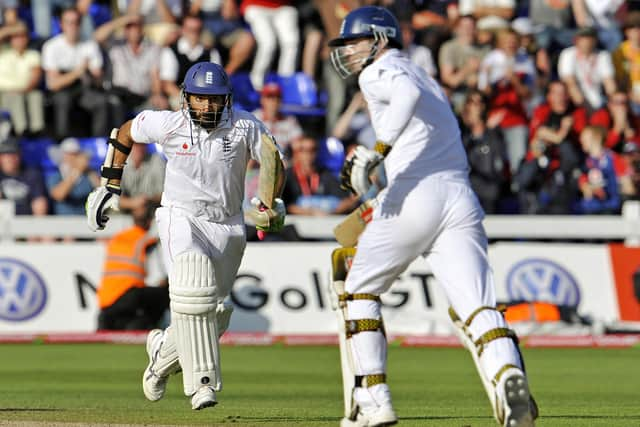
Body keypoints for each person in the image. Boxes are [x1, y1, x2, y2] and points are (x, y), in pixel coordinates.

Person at [328, 6, 536, 427]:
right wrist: (380, 177)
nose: (349, 50)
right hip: (459, 198)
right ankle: (507, 375)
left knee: (359, 291)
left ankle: (373, 400)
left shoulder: (382, 71)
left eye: (356, 41)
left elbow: (404, 97)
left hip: (414, 197)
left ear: (380, 39)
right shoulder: (428, 75)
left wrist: (378, 151)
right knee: (479, 308)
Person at [85, 62, 286, 410]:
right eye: (199, 99)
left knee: (214, 311)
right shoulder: (169, 123)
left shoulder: (244, 125)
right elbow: (125, 132)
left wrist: (270, 203)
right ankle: (202, 386)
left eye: (214, 100)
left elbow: (273, 163)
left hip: (228, 226)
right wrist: (109, 185)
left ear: (227, 99)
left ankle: (160, 357)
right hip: (180, 216)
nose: (206, 107)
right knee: (194, 289)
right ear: (186, 98)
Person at [97, 202, 169, 330]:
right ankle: (154, 326)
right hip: (129, 296)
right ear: (150, 222)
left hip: (106, 300)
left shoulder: (118, 237)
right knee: (165, 294)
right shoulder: (146, 240)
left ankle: (139, 323)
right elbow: (161, 274)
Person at [41, 7, 109, 139]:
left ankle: (98, 141)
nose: (73, 26)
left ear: (81, 24)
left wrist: (93, 75)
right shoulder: (51, 46)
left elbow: (98, 80)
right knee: (63, 100)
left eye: (76, 22)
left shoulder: (90, 45)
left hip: (84, 88)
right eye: (69, 22)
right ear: (61, 24)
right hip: (62, 91)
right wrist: (78, 72)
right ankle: (63, 141)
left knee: (101, 102)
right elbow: (53, 84)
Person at [46, 137, 100, 215]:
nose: (72, 158)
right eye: (69, 154)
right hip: (63, 221)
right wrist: (77, 171)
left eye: (75, 154)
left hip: (84, 220)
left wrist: (89, 171)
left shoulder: (89, 174)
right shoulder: (56, 175)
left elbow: (101, 190)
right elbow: (59, 195)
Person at [0, 137, 48, 216]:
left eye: (14, 154)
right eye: (6, 155)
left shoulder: (32, 174)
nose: (10, 159)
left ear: (20, 156)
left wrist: (38, 225)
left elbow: (39, 202)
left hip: (26, 221)